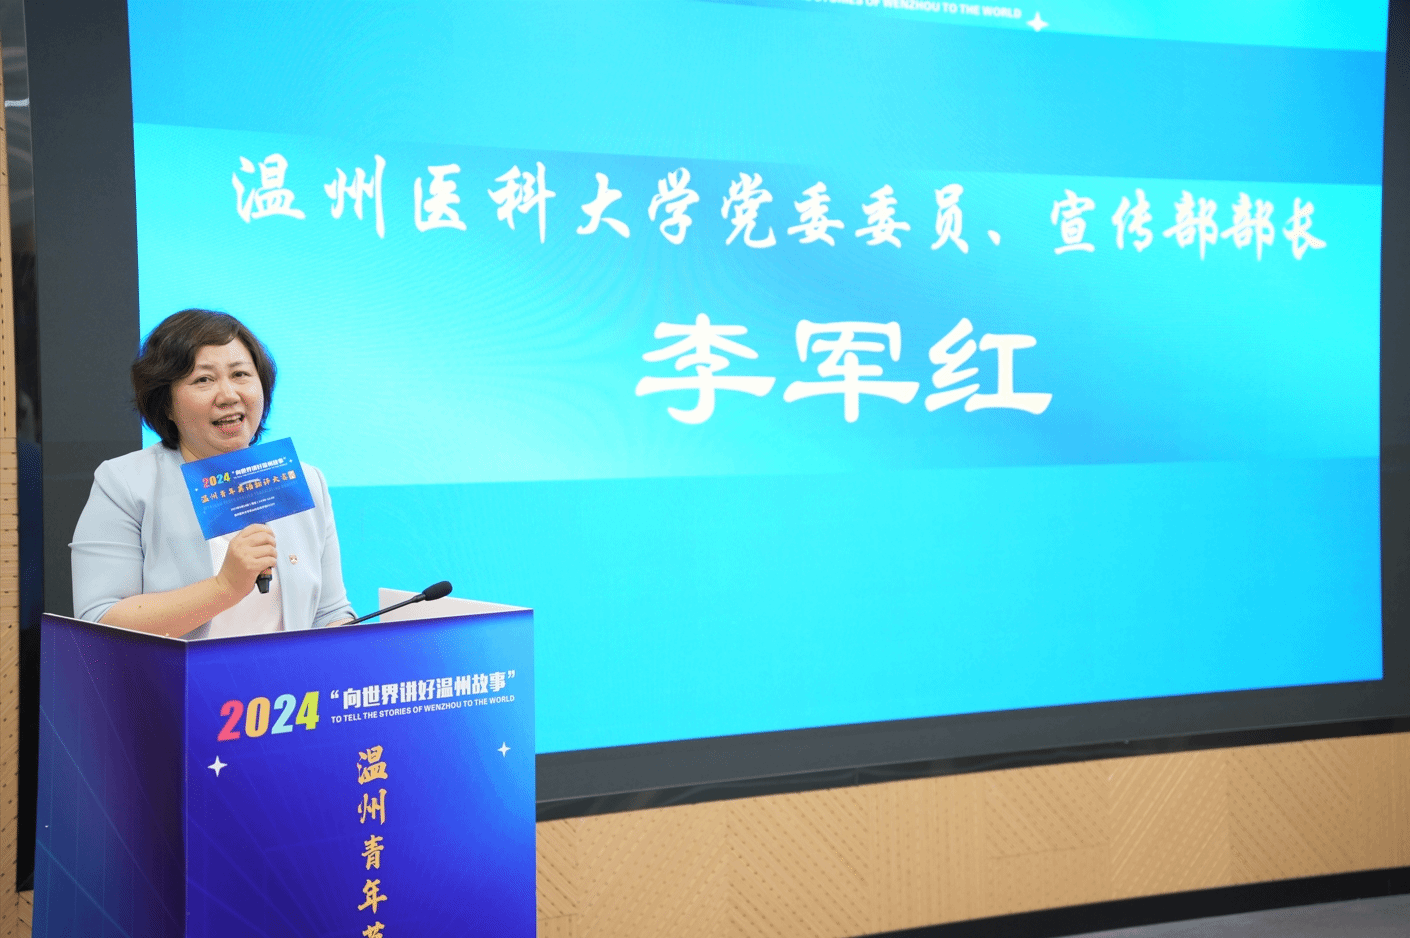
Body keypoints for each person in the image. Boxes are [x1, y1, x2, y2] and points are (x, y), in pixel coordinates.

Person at [70, 309, 355, 638]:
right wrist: (225, 587)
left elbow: (329, 612)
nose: (229, 396)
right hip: (179, 674)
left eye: (240, 374)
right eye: (203, 380)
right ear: (166, 403)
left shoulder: (303, 480)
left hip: (288, 675)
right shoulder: (125, 483)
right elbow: (100, 620)